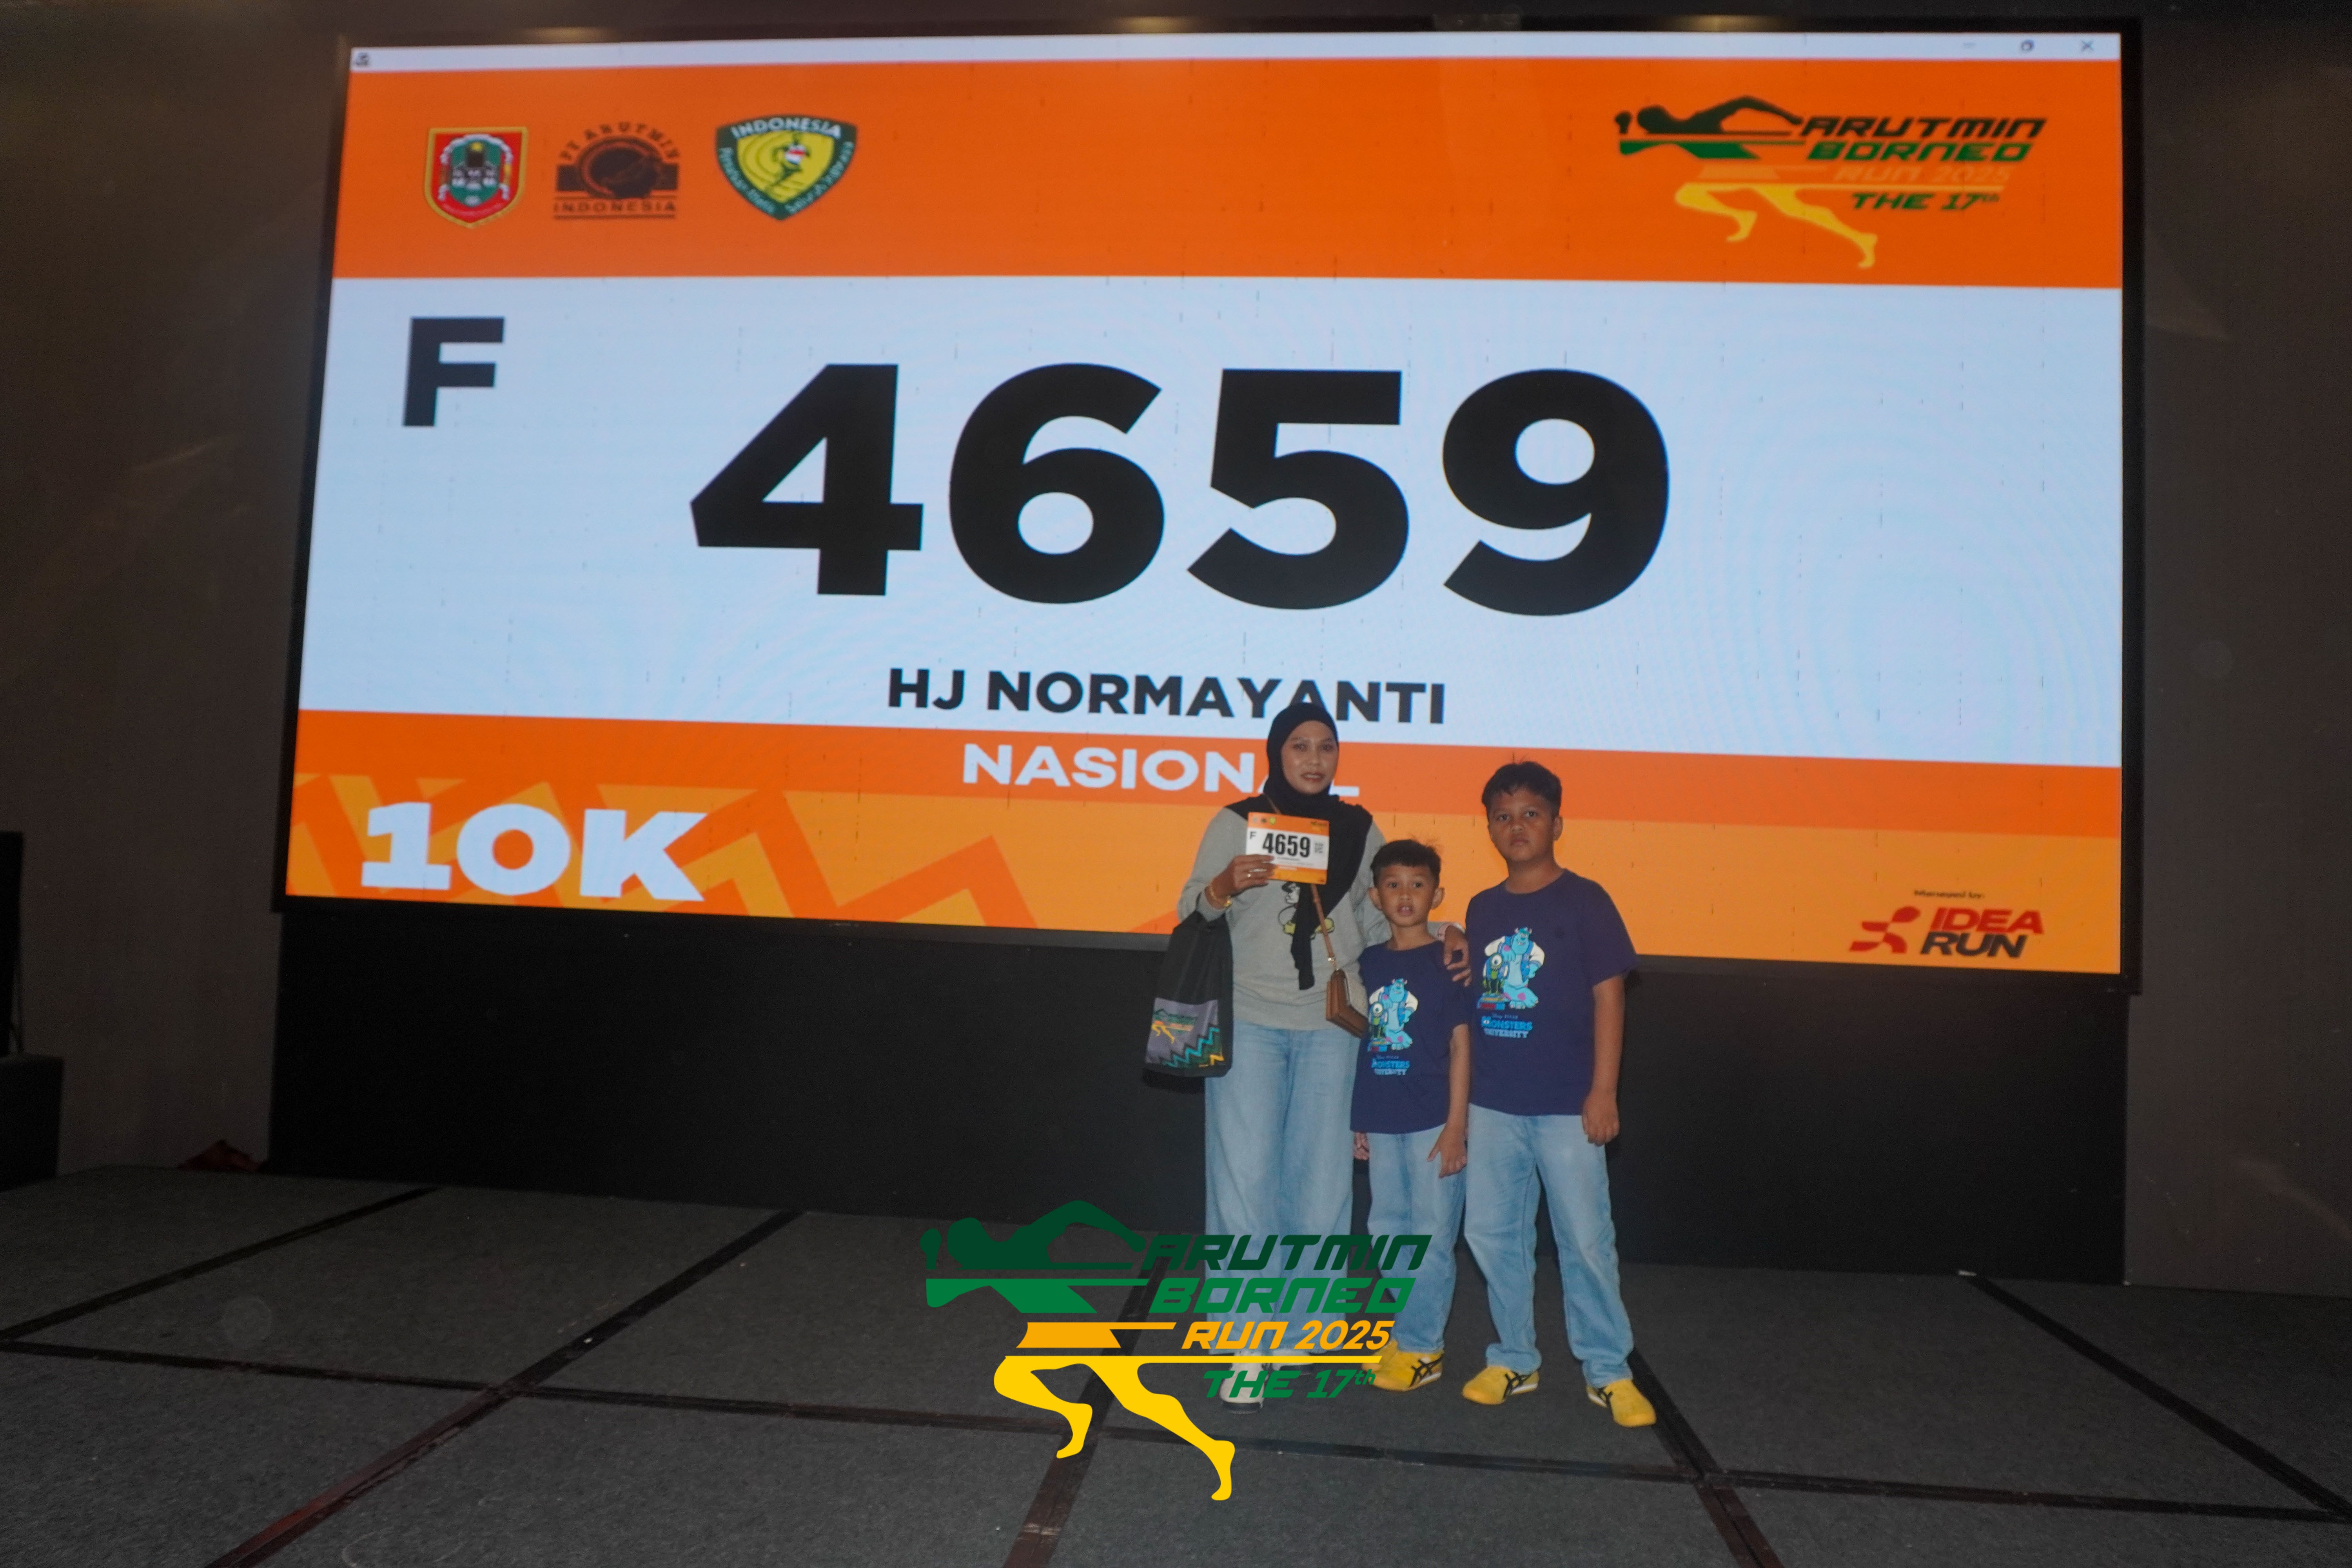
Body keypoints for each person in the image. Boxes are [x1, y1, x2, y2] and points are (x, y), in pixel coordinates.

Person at [1179, 701, 1383, 1409]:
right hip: (1250, 1020)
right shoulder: (1236, 822)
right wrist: (1224, 886)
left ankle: (1304, 1333)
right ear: (1276, 752)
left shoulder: (1359, 828)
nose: (1315, 759)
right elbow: (1191, 910)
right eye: (1300, 745)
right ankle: (1244, 1342)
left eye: (1327, 746)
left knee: (1322, 1184)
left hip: (1333, 1022)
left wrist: (1443, 931)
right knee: (1244, 1183)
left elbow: (1381, 918)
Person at [1441, 760, 1656, 1426]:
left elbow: (1610, 998)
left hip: (1568, 1104)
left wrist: (1604, 1091)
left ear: (1557, 824)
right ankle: (1514, 1358)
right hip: (1494, 1104)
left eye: (1531, 814)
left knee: (1585, 1241)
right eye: (1503, 817)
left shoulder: (1587, 900)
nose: (1517, 827)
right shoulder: (1483, 907)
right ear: (1489, 829)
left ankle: (1608, 1369)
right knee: (1492, 1234)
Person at [1349, 839, 1473, 1394]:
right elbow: (1366, 1044)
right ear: (1376, 897)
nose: (1405, 895)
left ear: (1437, 895)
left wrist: (1456, 1126)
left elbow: (1462, 1046)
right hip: (1383, 1119)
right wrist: (1361, 1118)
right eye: (1393, 885)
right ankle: (1405, 1333)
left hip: (1432, 1122)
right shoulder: (1369, 962)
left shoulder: (1449, 961)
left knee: (1431, 1236)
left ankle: (1425, 1347)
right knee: (1388, 1231)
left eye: (1418, 885)